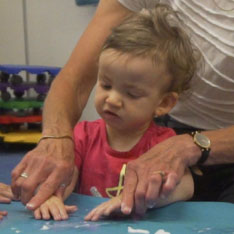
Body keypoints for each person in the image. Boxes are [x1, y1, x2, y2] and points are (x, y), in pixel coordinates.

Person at [11, 0, 234, 216]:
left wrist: (137, 198)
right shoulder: (84, 136)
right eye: (106, 84)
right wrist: (51, 195)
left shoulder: (163, 143)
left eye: (132, 94)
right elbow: (65, 175)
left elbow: (184, 186)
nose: (113, 100)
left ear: (163, 103)